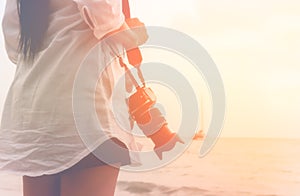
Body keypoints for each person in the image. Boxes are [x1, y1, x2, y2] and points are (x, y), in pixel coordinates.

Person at [0, 0, 148, 195]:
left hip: (34, 111)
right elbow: (103, 13)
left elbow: (14, 44)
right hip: (85, 107)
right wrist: (133, 36)